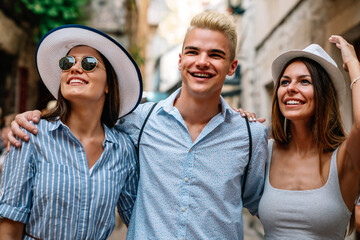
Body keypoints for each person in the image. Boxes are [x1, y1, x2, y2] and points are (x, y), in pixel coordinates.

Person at [7, 11, 268, 239]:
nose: (202, 61)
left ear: (232, 66)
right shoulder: (138, 122)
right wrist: (28, 118)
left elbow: (267, 208)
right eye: (192, 51)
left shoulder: (249, 134)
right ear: (180, 60)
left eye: (215, 55)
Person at [0, 25, 142, 239]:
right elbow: (9, 228)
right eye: (67, 63)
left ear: (108, 85)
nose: (75, 68)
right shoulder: (31, 135)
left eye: (89, 63)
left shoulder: (123, 149)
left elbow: (139, 221)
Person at [258, 36, 360, 239]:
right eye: (284, 82)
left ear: (323, 94)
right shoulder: (264, 151)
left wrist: (353, 64)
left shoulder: (344, 158)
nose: (290, 88)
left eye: (304, 81)